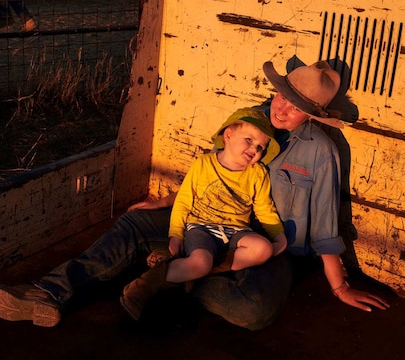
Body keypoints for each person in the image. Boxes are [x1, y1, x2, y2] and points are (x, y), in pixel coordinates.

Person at [0, 59, 390, 329]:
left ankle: (165, 274)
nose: (283, 108)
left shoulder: (320, 151)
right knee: (135, 222)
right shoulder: (248, 121)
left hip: (263, 243)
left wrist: (339, 286)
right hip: (208, 221)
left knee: (253, 309)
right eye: (283, 95)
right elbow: (209, 171)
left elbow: (322, 229)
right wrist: (164, 203)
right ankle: (48, 293)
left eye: (297, 105)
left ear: (312, 114)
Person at [119, 108, 287, 320]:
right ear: (228, 135)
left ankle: (192, 272)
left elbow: (264, 208)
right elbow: (183, 201)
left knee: (262, 249)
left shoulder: (258, 174)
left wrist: (278, 235)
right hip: (201, 227)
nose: (254, 149)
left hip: (236, 231)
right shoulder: (204, 164)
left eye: (260, 147)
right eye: (249, 140)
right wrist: (176, 233)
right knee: (200, 261)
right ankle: (142, 286)